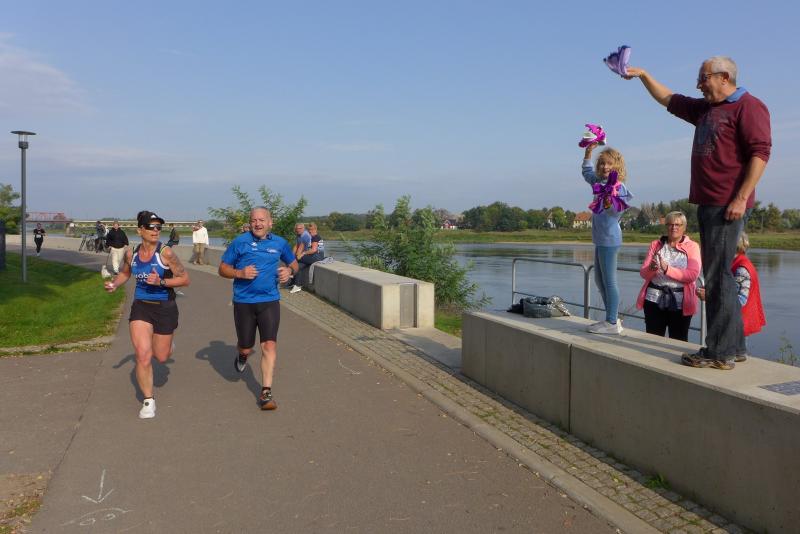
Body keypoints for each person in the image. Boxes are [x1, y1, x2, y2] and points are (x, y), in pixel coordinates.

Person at [625, 56, 771, 369]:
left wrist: (741, 198)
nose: (698, 85)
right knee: (721, 275)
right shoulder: (706, 109)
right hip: (709, 203)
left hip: (726, 204)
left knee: (717, 277)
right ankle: (735, 347)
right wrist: (644, 75)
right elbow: (669, 98)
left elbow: (760, 153)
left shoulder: (748, 106)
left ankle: (718, 351)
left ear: (724, 77)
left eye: (703, 78)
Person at [103, 211, 190, 419]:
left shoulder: (166, 253)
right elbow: (125, 273)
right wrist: (115, 284)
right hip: (141, 306)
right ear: (140, 230)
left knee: (161, 356)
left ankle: (168, 347)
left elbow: (185, 279)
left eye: (159, 227)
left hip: (165, 307)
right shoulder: (131, 253)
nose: (156, 230)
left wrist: (161, 282)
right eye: (151, 227)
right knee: (142, 355)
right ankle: (148, 401)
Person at [218, 207, 299, 411]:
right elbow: (222, 269)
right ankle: (243, 354)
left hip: (269, 301)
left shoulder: (280, 243)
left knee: (269, 345)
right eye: (254, 220)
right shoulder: (240, 242)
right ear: (250, 223)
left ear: (270, 222)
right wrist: (239, 273)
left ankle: (266, 392)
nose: (258, 223)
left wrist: (289, 271)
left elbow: (294, 264)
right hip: (244, 302)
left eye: (262, 220)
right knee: (246, 346)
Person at [582, 144, 633, 334]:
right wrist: (588, 152)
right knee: (599, 280)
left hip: (610, 239)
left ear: (617, 166)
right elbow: (587, 173)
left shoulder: (619, 187)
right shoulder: (599, 183)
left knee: (609, 282)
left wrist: (608, 202)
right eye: (602, 163)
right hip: (600, 239)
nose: (605, 167)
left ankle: (611, 321)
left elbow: (616, 213)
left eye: (609, 163)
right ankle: (611, 318)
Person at [697, 232, 765, 359]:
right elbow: (727, 290)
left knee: (732, 358)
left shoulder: (742, 268)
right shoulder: (734, 263)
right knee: (732, 357)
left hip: (736, 324)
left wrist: (710, 296)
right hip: (733, 322)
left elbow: (740, 301)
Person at [636, 212, 701, 342]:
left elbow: (692, 275)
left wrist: (667, 269)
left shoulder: (692, 246)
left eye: (677, 224)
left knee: (678, 341)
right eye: (670, 224)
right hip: (653, 300)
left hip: (680, 303)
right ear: (666, 226)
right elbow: (643, 273)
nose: (673, 227)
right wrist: (652, 269)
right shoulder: (656, 245)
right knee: (652, 340)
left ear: (684, 227)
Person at [289, 223, 312, 293]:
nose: (298, 230)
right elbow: (296, 246)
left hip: (308, 255)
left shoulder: (305, 236)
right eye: (297, 229)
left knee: (297, 266)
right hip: (302, 255)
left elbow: (301, 248)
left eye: (300, 228)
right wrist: (291, 256)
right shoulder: (298, 235)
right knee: (292, 263)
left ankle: (298, 285)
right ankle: (293, 283)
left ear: (304, 229)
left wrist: (294, 258)